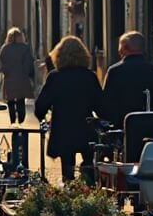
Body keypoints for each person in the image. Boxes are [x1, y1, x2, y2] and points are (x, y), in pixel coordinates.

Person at [34, 35, 102, 182]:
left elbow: (40, 106)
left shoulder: (55, 77)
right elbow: (100, 105)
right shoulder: (89, 77)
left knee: (67, 169)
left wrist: (43, 118)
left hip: (62, 128)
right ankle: (88, 185)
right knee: (89, 164)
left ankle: (69, 188)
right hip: (85, 127)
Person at [100, 31, 153, 129]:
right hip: (152, 126)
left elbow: (106, 102)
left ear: (124, 48)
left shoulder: (114, 71)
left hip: (122, 127)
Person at [0, 27, 35, 124]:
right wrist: (27, 74)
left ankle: (13, 121)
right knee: (20, 100)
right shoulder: (25, 48)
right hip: (22, 79)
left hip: (9, 79)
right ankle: (21, 122)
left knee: (10, 101)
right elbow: (28, 64)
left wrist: (6, 72)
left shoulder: (5, 48)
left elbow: (1, 63)